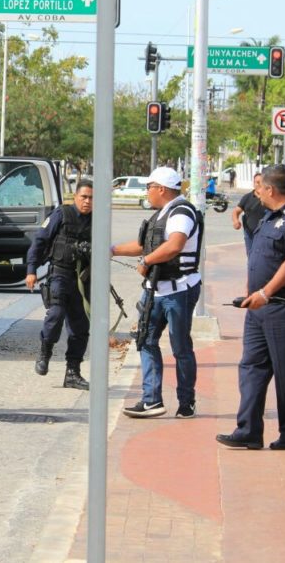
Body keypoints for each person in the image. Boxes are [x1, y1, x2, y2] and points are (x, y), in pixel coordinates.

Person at [217, 165, 285, 450]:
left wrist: (265, 292)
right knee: (251, 367)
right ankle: (248, 430)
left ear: (270, 189)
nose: (256, 192)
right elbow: (259, 257)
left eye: (259, 187)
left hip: (284, 306)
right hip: (258, 308)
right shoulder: (269, 216)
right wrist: (252, 293)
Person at [111, 167, 202, 419]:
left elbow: (175, 245)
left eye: (148, 187)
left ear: (161, 189)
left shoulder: (181, 212)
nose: (146, 192)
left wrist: (147, 261)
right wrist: (112, 250)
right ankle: (151, 400)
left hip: (179, 290)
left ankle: (186, 402)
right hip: (155, 290)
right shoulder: (159, 214)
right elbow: (143, 245)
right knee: (145, 340)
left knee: (180, 346)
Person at [25, 180, 94, 390]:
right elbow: (40, 240)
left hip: (83, 279)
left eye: (91, 198)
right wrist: (31, 270)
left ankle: (72, 372)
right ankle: (44, 353)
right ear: (75, 197)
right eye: (84, 197)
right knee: (55, 315)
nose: (87, 201)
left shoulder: (97, 220)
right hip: (60, 274)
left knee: (80, 327)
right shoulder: (62, 214)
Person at [231, 172, 266, 255]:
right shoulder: (247, 197)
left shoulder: (269, 198)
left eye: (261, 182)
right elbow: (236, 211)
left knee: (263, 257)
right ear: (253, 184)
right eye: (257, 182)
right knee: (251, 256)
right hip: (249, 233)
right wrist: (236, 221)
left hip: (264, 234)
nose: (259, 185)